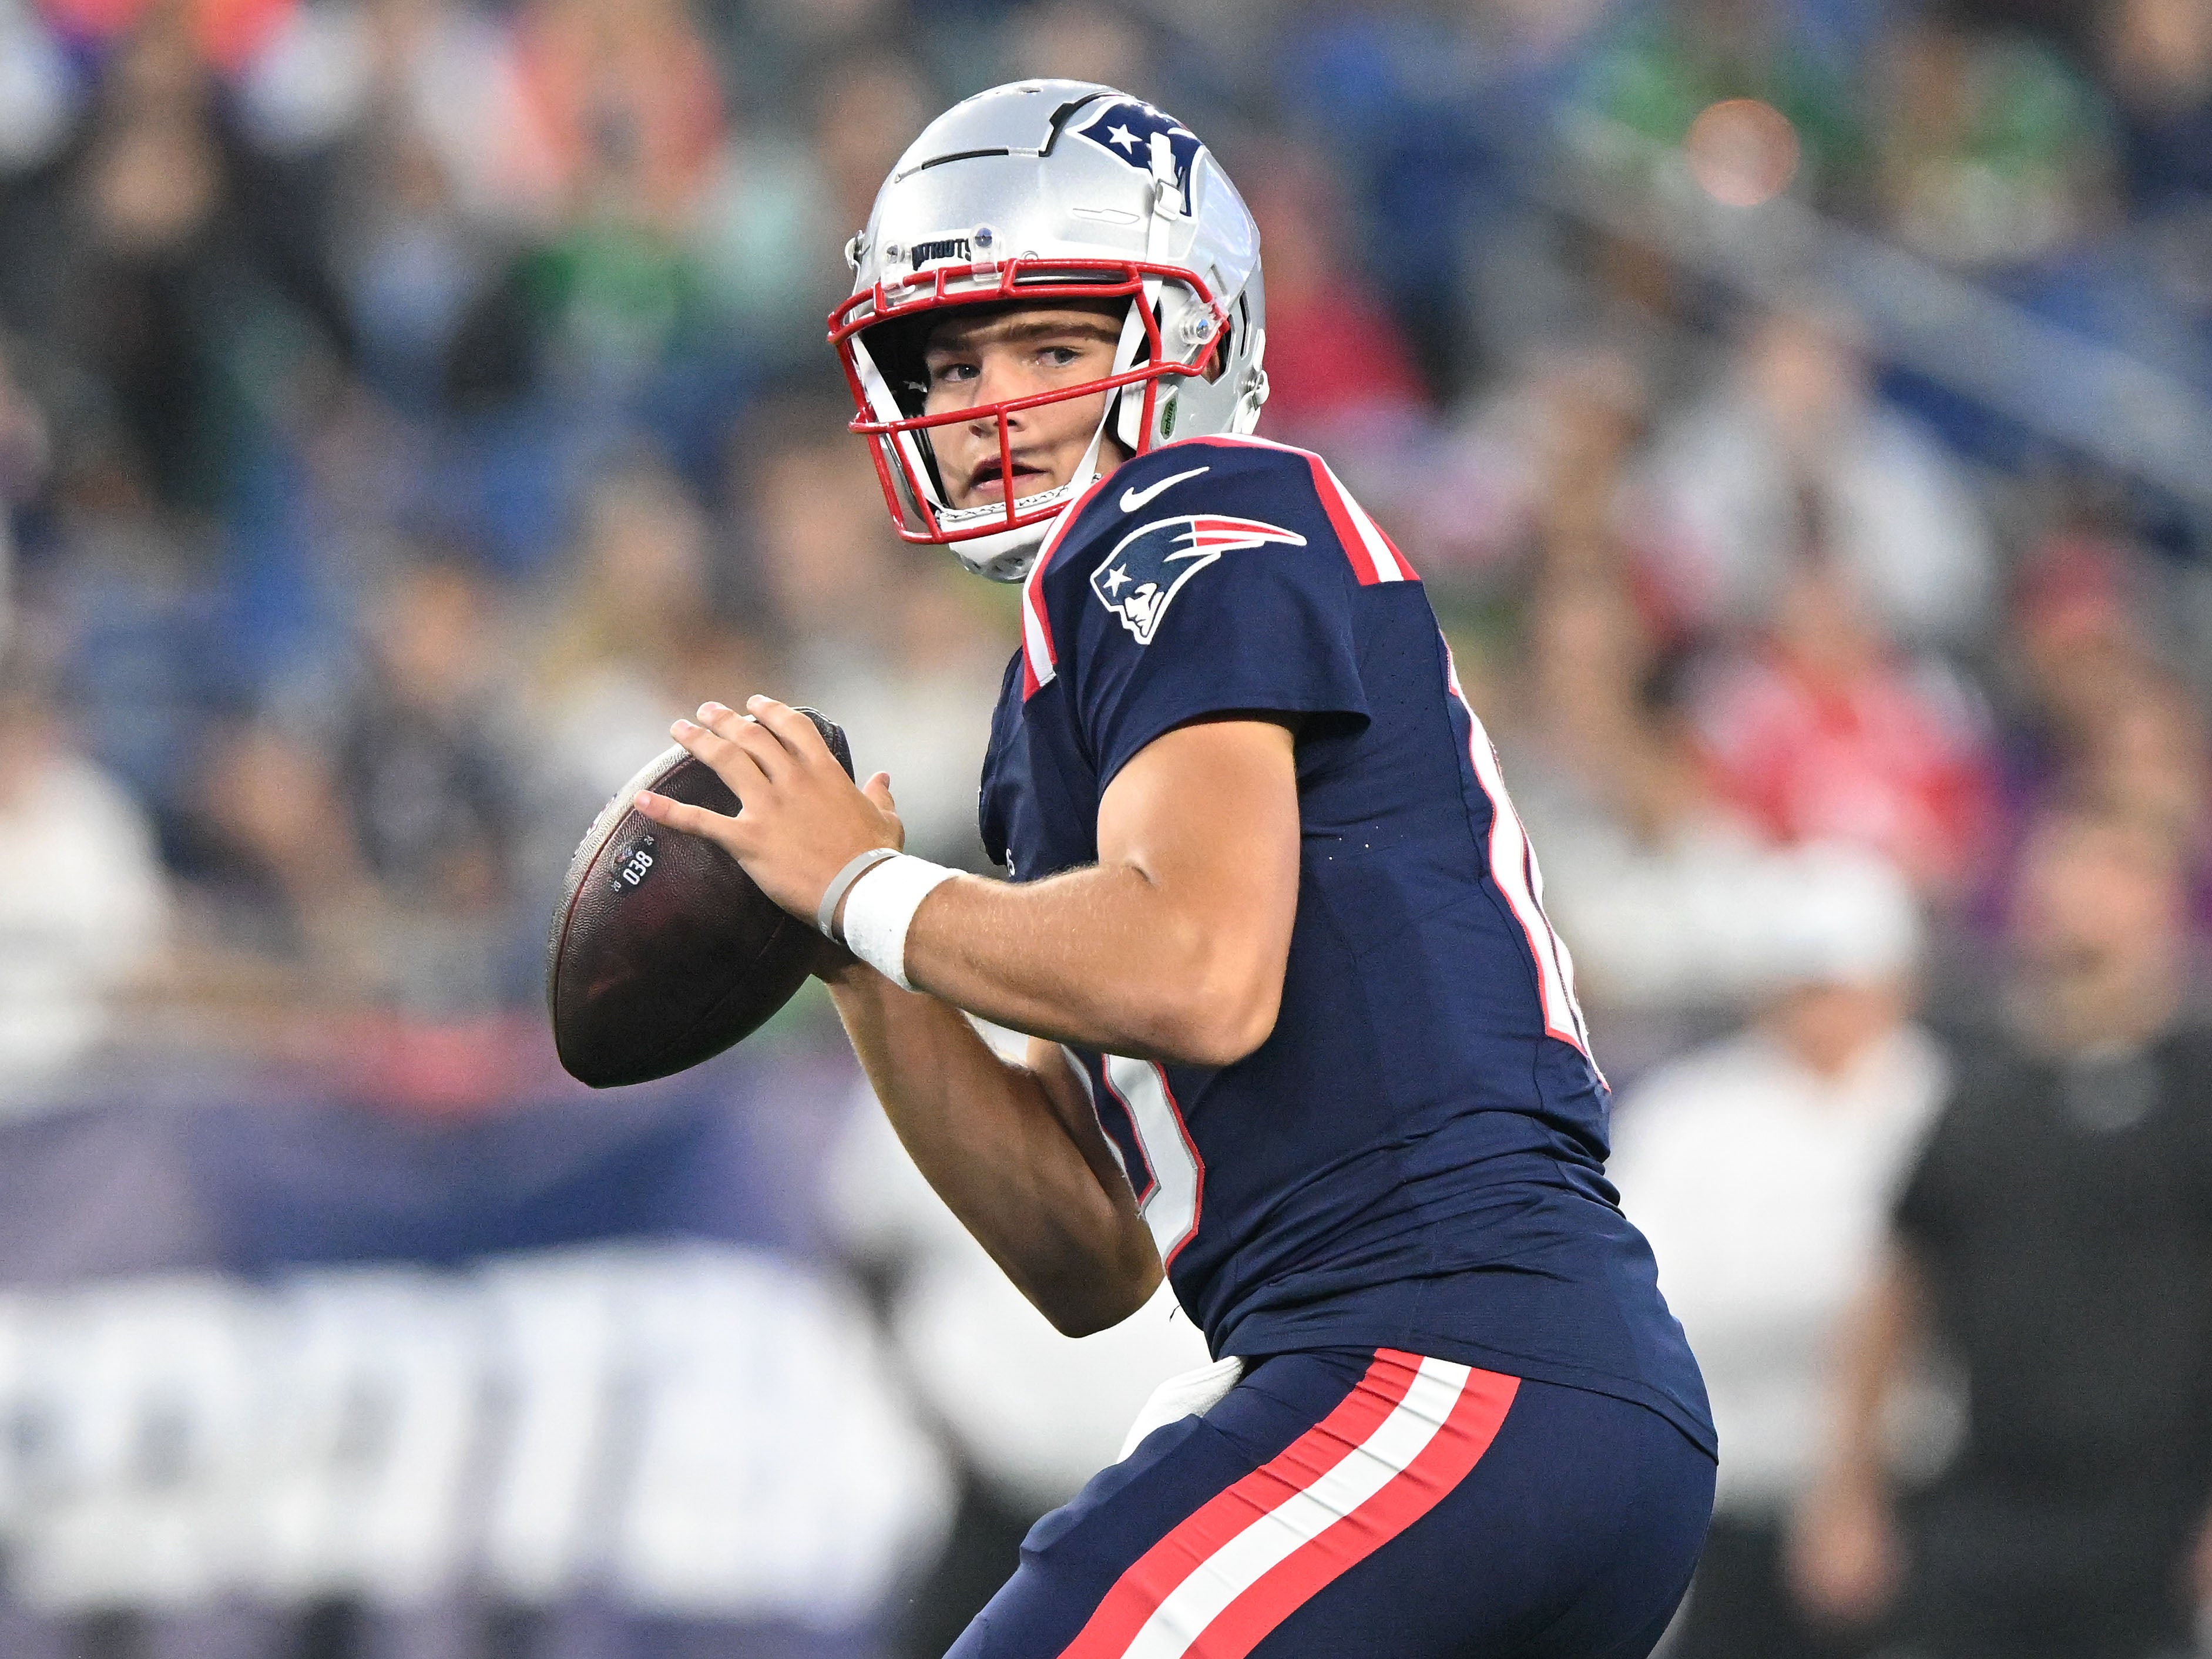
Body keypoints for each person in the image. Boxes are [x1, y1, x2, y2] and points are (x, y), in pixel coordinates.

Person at [633, 82, 1714, 1655]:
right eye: (950, 360)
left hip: (1437, 1354)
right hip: (1479, 1389)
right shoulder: (1077, 672)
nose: (991, 395)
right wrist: (857, 958)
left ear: (1188, 332)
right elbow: (1089, 1259)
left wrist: (874, 890)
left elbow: (1198, 971)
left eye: (1052, 346)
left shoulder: (1182, 511)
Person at [1794, 805, 2212, 1659]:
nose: (2090, 900)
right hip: (1992, 1499)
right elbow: (1897, 1289)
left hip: (2162, 1516)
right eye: (2072, 872)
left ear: (2167, 905)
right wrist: (1847, 1490)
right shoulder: (1979, 1095)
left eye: (2122, 874)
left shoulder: (2200, 1086)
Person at [1607, 845, 1945, 1659]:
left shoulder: (1946, 1099)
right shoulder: (1691, 1113)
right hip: (1728, 1499)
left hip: (1913, 1494)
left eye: (1842, 986)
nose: (1823, 1012)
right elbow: (1645, 1299)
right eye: (1802, 987)